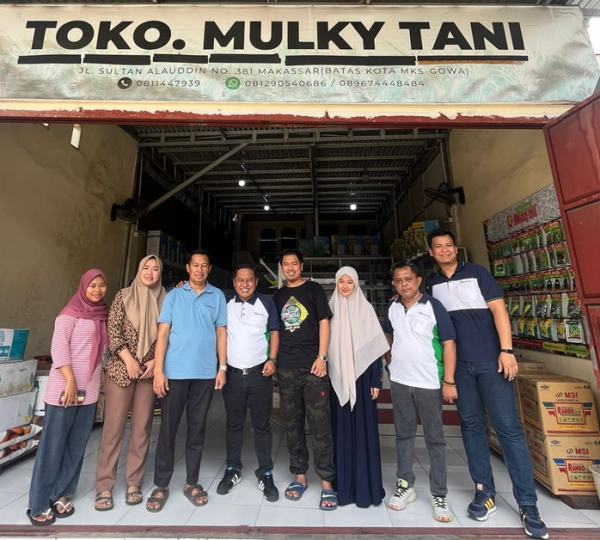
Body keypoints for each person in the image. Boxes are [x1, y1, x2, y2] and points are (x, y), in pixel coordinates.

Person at [426, 227, 548, 540]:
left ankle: (528, 504)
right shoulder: (431, 283)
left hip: (491, 362)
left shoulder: (478, 273)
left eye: (449, 245)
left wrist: (506, 351)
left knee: (508, 428)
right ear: (431, 253)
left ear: (455, 249)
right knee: (471, 427)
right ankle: (484, 491)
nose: (445, 250)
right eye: (439, 246)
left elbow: (499, 311)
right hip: (459, 368)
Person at [146, 249, 227, 512]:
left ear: (209, 269)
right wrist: (159, 371)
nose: (200, 269)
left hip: (204, 374)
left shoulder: (217, 296)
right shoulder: (174, 296)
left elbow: (221, 332)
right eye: (195, 265)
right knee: (167, 430)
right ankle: (161, 484)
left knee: (197, 429)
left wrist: (222, 367)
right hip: (175, 373)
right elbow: (163, 333)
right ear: (188, 268)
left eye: (204, 265)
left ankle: (192, 482)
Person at [27, 270, 108, 526]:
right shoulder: (68, 315)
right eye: (92, 285)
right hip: (64, 391)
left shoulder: (102, 316)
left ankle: (61, 493)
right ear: (83, 287)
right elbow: (59, 350)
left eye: (101, 285)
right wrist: (71, 381)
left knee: (76, 447)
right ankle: (39, 503)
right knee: (52, 448)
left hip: (89, 392)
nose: (97, 290)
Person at [383, 261, 457, 523]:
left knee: (435, 438)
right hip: (400, 381)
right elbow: (388, 336)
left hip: (429, 382)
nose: (404, 284)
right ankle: (405, 485)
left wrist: (449, 381)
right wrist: (391, 362)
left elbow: (448, 344)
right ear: (394, 284)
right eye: (398, 280)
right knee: (403, 435)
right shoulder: (392, 308)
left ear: (418, 281)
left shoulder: (434, 306)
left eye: (408, 279)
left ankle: (439, 493)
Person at [95, 255, 166, 511]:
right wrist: (129, 360)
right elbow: (113, 332)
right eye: (146, 268)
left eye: (155, 269)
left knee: (141, 429)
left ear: (160, 273)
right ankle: (104, 485)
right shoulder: (122, 296)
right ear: (139, 270)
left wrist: (155, 363)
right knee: (113, 429)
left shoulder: (166, 300)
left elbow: (168, 334)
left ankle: (133, 482)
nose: (150, 272)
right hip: (121, 371)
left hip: (149, 373)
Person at [272, 248, 337, 511]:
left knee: (321, 425)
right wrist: (274, 361)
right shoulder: (278, 296)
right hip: (287, 368)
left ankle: (327, 482)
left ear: (301, 266)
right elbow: (275, 330)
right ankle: (300, 476)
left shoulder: (314, 290)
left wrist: (322, 357)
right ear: (282, 268)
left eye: (294, 264)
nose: (290, 268)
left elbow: (324, 323)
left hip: (313, 368)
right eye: (285, 264)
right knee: (293, 426)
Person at [216, 264, 280, 502]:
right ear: (234, 283)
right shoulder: (225, 304)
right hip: (232, 375)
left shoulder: (266, 303)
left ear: (256, 282)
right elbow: (220, 334)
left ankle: (265, 472)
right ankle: (232, 468)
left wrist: (272, 360)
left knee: (262, 426)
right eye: (240, 280)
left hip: (259, 375)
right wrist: (222, 368)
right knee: (233, 424)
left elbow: (275, 332)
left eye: (249, 280)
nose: (245, 284)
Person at [328, 266, 389, 508]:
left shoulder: (366, 309)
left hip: (363, 380)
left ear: (356, 284)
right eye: (341, 281)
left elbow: (375, 350)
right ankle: (342, 488)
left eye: (349, 282)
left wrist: (376, 380)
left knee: (363, 432)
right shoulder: (330, 309)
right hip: (337, 381)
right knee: (340, 432)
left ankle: (366, 488)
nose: (345, 286)